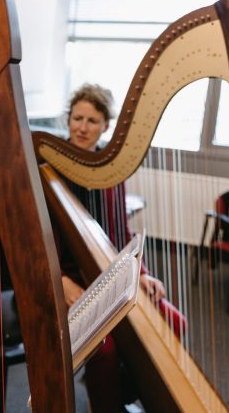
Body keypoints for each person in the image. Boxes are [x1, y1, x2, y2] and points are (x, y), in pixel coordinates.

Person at [56, 83, 185, 412]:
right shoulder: (49, 172)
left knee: (174, 322)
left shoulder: (110, 170)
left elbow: (120, 232)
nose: (82, 127)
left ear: (106, 126)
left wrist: (141, 273)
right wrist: (59, 280)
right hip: (67, 283)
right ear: (68, 120)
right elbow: (32, 246)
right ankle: (106, 404)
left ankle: (126, 391)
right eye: (77, 118)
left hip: (110, 277)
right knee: (107, 348)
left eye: (92, 121)